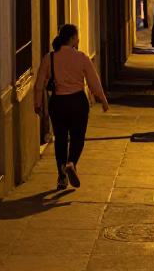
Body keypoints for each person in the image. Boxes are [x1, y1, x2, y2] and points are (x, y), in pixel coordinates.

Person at [34, 24, 109, 190]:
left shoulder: (50, 58)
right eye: (77, 36)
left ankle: (61, 177)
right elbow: (93, 81)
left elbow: (39, 83)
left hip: (58, 103)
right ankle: (71, 162)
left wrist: (37, 103)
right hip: (77, 102)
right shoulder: (82, 57)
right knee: (77, 137)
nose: (78, 39)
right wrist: (102, 100)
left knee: (60, 139)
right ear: (73, 38)